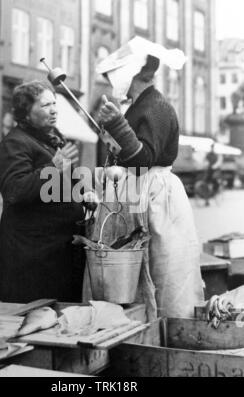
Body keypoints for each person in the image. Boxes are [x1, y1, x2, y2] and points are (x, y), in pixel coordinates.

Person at [97, 53, 205, 319]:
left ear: (130, 74)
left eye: (115, 75)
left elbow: (143, 160)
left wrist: (117, 125)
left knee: (161, 267)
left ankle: (166, 330)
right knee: (133, 270)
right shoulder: (139, 105)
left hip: (153, 195)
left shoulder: (156, 106)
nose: (112, 82)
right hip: (137, 191)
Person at [0, 80, 89, 304]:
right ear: (26, 113)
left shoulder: (50, 140)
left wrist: (84, 194)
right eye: (45, 105)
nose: (54, 109)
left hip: (56, 254)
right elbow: (15, 190)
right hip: (33, 259)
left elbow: (64, 182)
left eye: (54, 103)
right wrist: (55, 166)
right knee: (33, 319)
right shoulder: (14, 144)